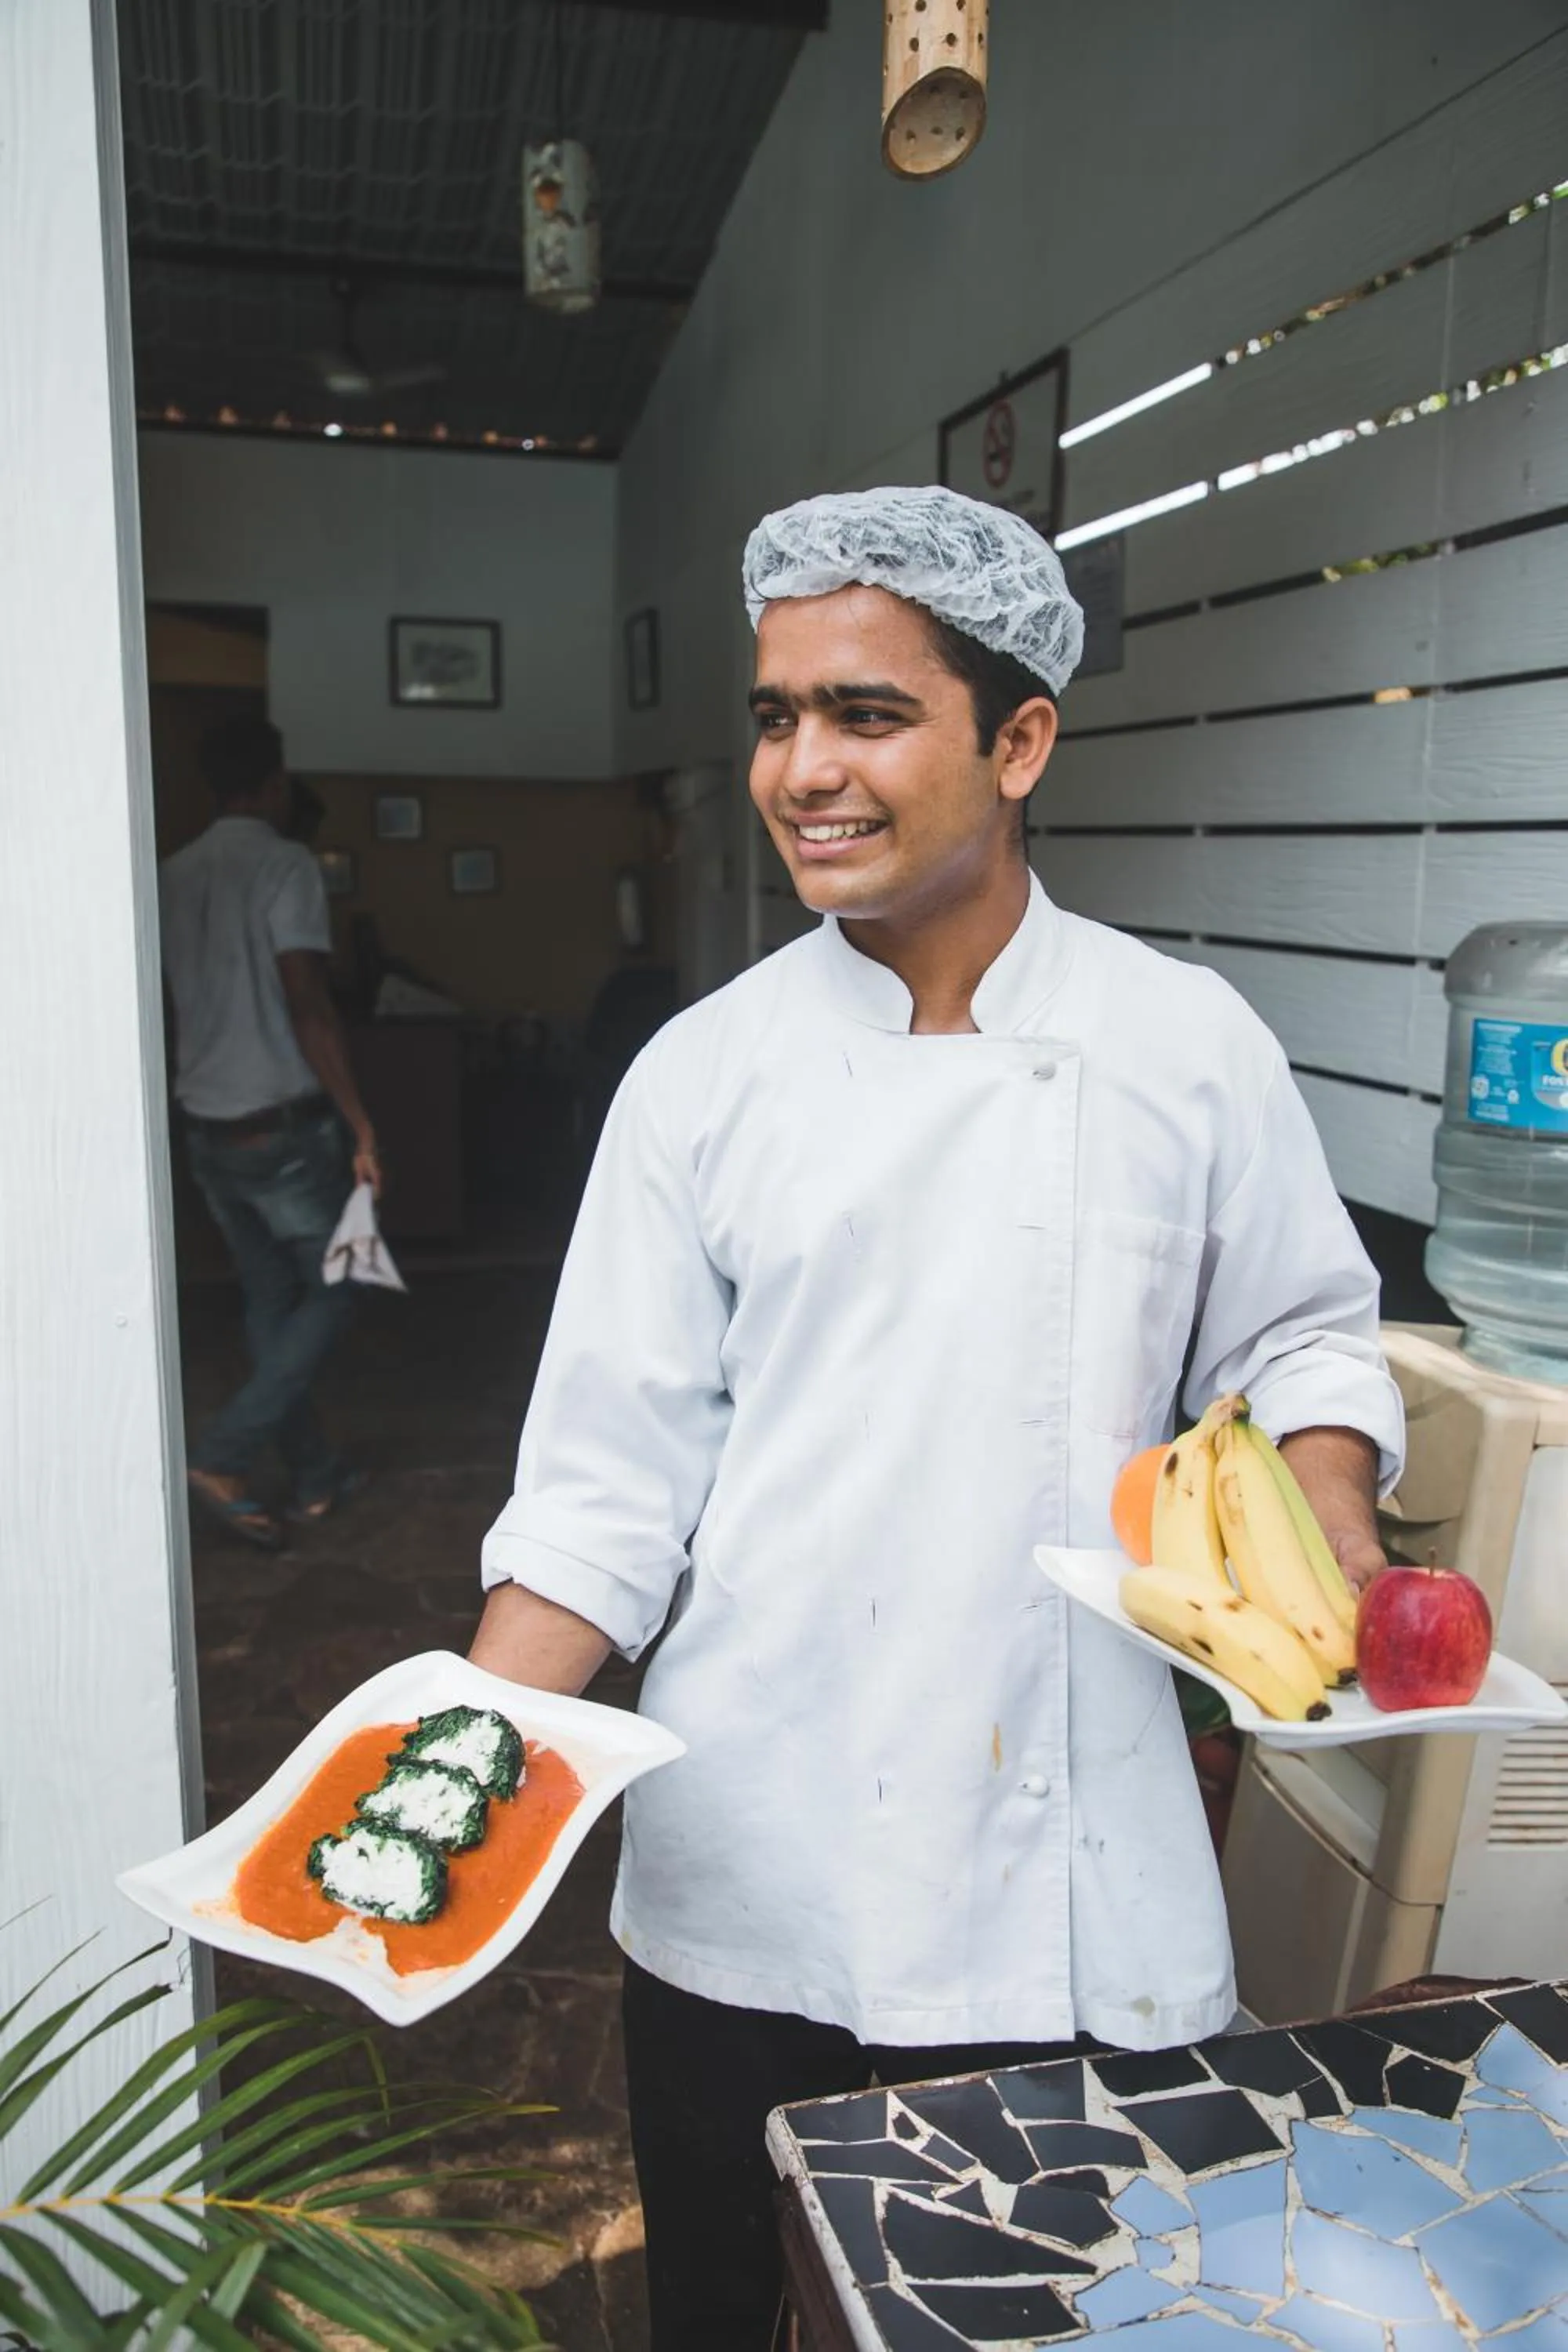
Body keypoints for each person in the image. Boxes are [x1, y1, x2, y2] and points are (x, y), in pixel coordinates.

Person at [469, 486, 1403, 2349]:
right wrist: (463, 1764)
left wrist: (1335, 1525)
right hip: (751, 1850)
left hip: (1064, 1866)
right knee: (731, 2314)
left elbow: (1303, 1333)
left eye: (865, 713)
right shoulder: (701, 1073)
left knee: (1056, 2313)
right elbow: (601, 1485)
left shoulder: (1180, 1040)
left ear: (1020, 736)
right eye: (773, 714)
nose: (801, 768)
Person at [160, 715, 381, 1550]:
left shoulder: (171, 872)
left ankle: (318, 1471)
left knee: (269, 1297)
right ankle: (221, 1454)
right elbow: (306, 1001)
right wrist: (359, 1122)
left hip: (207, 1125)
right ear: (275, 782)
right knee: (341, 1285)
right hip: (282, 1129)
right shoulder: (283, 864)